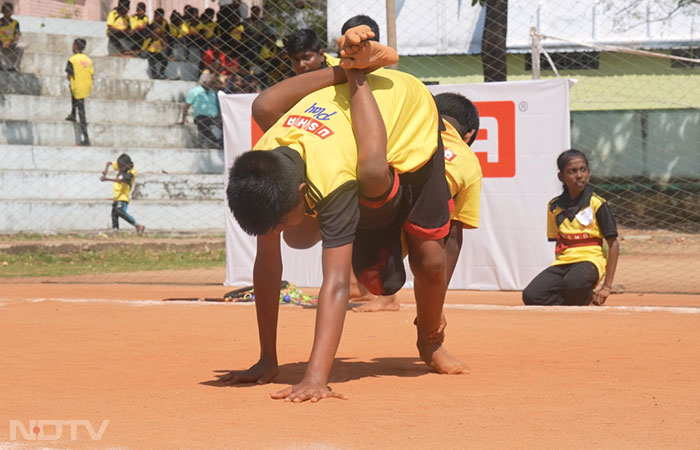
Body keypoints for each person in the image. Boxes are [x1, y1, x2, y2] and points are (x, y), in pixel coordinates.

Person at [222, 29, 466, 403]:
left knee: (429, 260)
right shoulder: (265, 166)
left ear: (304, 192)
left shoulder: (332, 176)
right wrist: (267, 359)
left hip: (409, 118)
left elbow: (335, 283)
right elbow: (267, 266)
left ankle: (429, 340)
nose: (280, 231)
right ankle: (351, 70)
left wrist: (316, 377)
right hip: (354, 135)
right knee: (268, 113)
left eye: (284, 219)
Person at [354, 92, 483, 313]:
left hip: (377, 210)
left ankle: (377, 291)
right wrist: (437, 300)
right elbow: (454, 234)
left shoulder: (406, 129)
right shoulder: (469, 161)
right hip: (424, 227)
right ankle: (396, 298)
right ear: (469, 135)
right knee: (436, 224)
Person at [522, 149, 620, 306]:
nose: (579, 175)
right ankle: (575, 302)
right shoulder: (554, 206)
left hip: (591, 261)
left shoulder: (597, 204)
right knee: (531, 296)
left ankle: (583, 296)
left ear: (588, 172)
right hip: (563, 263)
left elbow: (613, 245)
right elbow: (558, 243)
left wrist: (606, 287)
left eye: (583, 169)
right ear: (561, 177)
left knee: (574, 283)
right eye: (572, 171)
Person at [100, 154, 145, 236]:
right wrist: (106, 170)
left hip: (123, 197)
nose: (120, 168)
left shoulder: (131, 172)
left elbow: (121, 180)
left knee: (120, 211)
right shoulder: (123, 165)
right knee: (114, 214)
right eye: (119, 166)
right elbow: (109, 163)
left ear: (127, 165)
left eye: (122, 167)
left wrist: (107, 179)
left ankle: (138, 225)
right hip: (117, 196)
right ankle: (115, 232)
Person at [180, 73, 222, 148]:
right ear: (204, 82)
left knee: (225, 122)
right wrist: (183, 120)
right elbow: (186, 106)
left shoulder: (212, 92)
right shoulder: (194, 92)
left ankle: (222, 142)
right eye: (212, 82)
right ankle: (216, 142)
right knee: (202, 123)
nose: (213, 83)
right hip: (201, 117)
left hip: (214, 117)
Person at [65, 38, 93, 146]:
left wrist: (72, 81)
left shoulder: (72, 59)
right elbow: (91, 74)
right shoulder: (88, 59)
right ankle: (72, 113)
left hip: (77, 86)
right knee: (75, 98)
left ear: (75, 46)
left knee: (82, 113)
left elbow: (69, 75)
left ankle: (86, 138)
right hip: (86, 86)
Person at [0, 2, 22, 71]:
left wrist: (9, 42)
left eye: (10, 11)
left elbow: (17, 36)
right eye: (7, 11)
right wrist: (2, 43)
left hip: (10, 42)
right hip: (1, 43)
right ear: (3, 12)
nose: (9, 13)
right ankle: (3, 66)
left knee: (20, 47)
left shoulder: (15, 23)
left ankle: (15, 66)